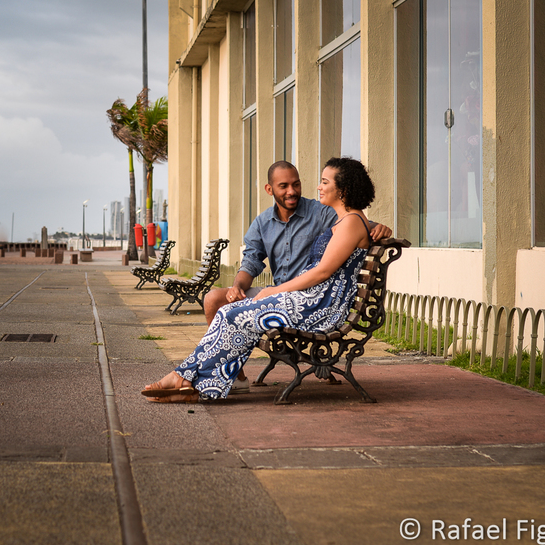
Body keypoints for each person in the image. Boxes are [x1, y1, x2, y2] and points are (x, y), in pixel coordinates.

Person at [142, 157, 380, 402]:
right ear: (270, 189)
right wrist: (257, 289)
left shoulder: (349, 222)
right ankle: (190, 379)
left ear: (342, 190)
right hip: (308, 300)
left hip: (320, 307)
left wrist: (273, 292)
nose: (318, 187)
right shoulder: (343, 220)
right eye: (320, 182)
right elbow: (252, 260)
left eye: (324, 182)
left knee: (233, 314)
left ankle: (189, 379)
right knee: (227, 312)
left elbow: (322, 272)